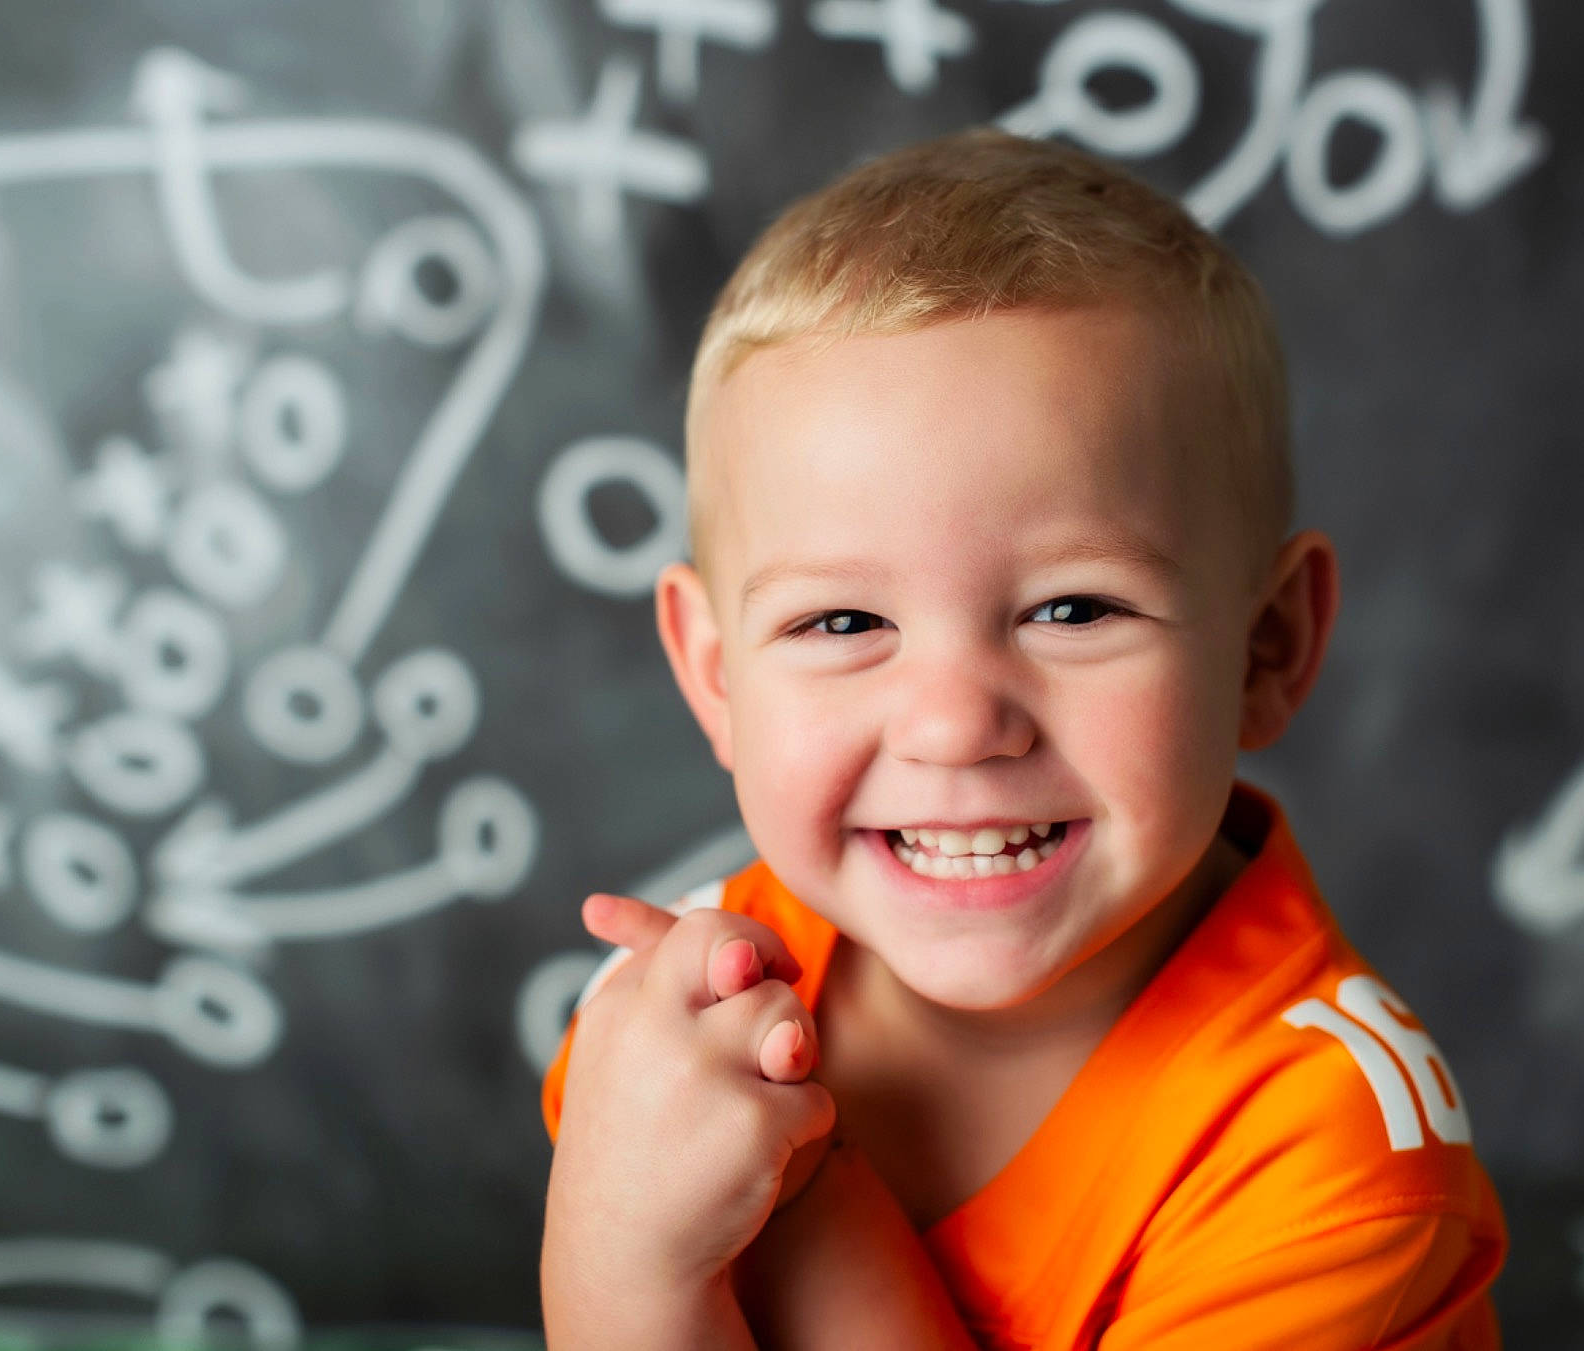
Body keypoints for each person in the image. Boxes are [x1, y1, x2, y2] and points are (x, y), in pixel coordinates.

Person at [537, 127, 1508, 1350]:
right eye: (841, 619)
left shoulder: (1325, 1143)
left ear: (1263, 648)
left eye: (1072, 608)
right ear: (717, 677)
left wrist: (685, 1246)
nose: (953, 723)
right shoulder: (678, 1024)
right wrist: (630, 1233)